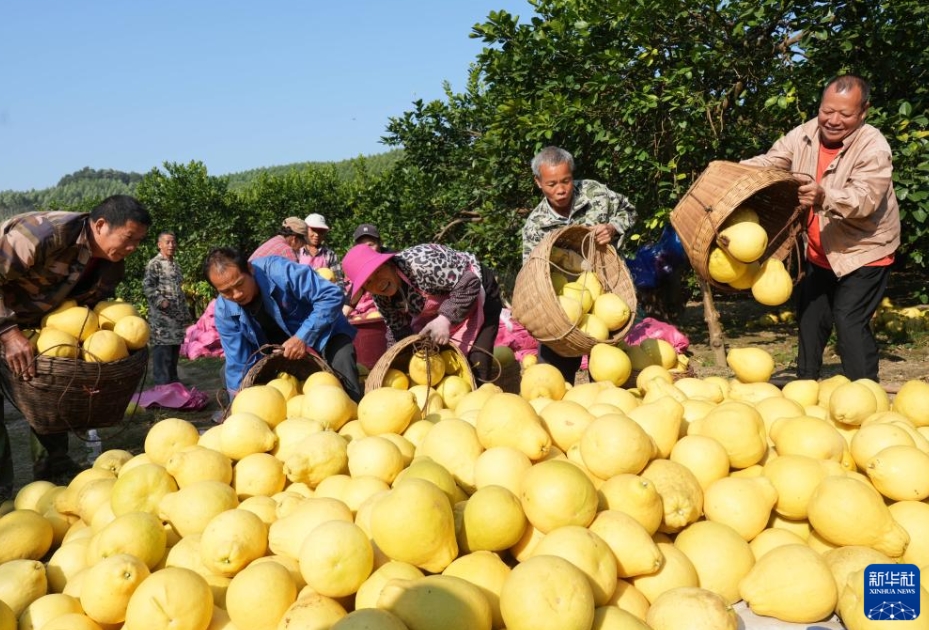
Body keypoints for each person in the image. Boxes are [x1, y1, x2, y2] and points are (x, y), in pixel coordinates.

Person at [741, 74, 900, 381]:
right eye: (828, 110)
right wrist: (733, 169)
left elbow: (864, 199)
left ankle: (865, 392)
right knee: (811, 318)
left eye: (845, 114)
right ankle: (806, 386)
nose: (833, 120)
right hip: (819, 250)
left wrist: (824, 196)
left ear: (863, 111)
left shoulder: (873, 146)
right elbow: (773, 161)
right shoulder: (805, 133)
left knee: (848, 319)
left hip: (863, 251)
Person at [0, 195, 152, 498]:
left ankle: (54, 466)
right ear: (100, 225)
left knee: (52, 389)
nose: (133, 248)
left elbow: (83, 314)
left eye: (138, 241)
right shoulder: (47, 233)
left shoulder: (111, 266)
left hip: (35, 323)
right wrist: (8, 332)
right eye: (129, 238)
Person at [521, 145, 637, 383]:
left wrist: (613, 228)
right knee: (555, 379)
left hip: (606, 294)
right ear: (538, 182)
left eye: (566, 180)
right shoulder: (535, 225)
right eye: (552, 184)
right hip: (559, 307)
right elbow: (530, 275)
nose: (561, 190)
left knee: (610, 377)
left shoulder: (595, 192)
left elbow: (629, 210)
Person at [203, 247, 363, 403]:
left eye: (240, 284)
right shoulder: (224, 311)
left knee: (342, 355)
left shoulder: (279, 271)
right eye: (226, 292)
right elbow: (238, 361)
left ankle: (353, 410)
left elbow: (331, 295)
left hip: (323, 336)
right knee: (227, 373)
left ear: (250, 269)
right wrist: (238, 405)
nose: (236, 295)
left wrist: (303, 337)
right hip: (275, 356)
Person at [342, 242, 503, 382]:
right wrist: (393, 361)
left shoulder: (420, 264)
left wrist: (445, 319)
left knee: (476, 365)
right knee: (443, 366)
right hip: (449, 306)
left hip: (479, 289)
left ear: (388, 264)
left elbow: (469, 283)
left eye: (377, 272)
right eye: (369, 282)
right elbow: (398, 330)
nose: (378, 283)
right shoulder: (381, 297)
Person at [143, 231, 190, 385]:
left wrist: (185, 314)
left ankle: (173, 381)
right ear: (159, 245)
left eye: (173, 242)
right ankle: (162, 384)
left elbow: (179, 291)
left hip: (176, 317)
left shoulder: (175, 265)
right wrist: (160, 300)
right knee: (162, 350)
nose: (171, 245)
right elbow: (147, 286)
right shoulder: (154, 263)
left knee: (174, 350)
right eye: (168, 242)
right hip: (161, 319)